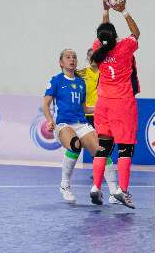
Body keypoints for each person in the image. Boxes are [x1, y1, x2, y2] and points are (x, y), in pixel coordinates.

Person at [90, 0, 140, 209]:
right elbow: (136, 33)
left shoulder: (98, 51)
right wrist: (123, 11)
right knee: (125, 149)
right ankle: (123, 190)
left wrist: (105, 11)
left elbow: (103, 34)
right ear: (115, 35)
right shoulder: (125, 48)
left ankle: (95, 187)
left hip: (103, 104)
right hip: (122, 103)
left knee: (103, 147)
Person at [42, 48, 104, 204]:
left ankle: (110, 189)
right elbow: (45, 103)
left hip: (81, 123)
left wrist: (101, 108)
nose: (72, 60)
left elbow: (84, 108)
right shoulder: (56, 80)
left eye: (74, 57)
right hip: (63, 124)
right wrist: (50, 120)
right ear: (61, 62)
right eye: (68, 57)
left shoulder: (80, 82)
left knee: (100, 150)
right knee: (75, 145)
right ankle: (65, 185)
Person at [76, 49, 120, 205]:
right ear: (87, 58)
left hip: (103, 117)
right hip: (84, 117)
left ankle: (112, 191)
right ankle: (65, 184)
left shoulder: (108, 73)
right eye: (90, 56)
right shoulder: (80, 73)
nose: (93, 58)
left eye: (96, 55)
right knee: (75, 149)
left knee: (103, 152)